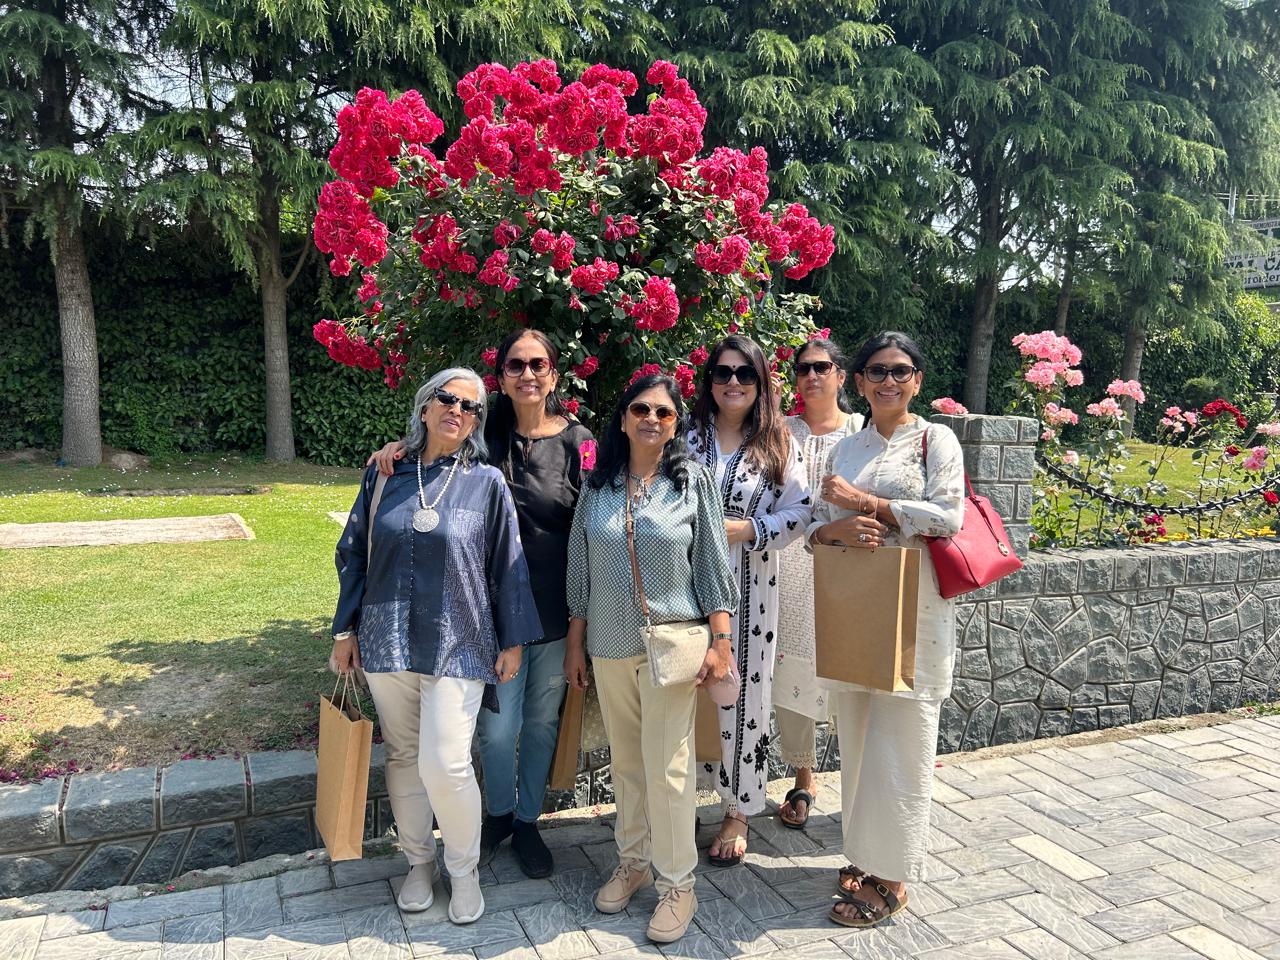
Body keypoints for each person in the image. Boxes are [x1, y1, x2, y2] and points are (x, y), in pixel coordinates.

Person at [369, 330, 594, 878]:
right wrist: (395, 450)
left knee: (539, 723)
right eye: (515, 365)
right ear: (502, 377)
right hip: (487, 614)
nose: (527, 374)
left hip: (556, 610)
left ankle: (527, 821)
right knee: (495, 728)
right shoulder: (482, 428)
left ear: (554, 374)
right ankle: (497, 814)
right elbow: (434, 451)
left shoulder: (580, 442)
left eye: (538, 364)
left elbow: (595, 525)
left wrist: (581, 626)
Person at [332, 368, 543, 925]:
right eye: (447, 399)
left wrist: (513, 641)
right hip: (387, 636)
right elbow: (353, 552)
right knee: (404, 756)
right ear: (425, 407)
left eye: (470, 406)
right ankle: (418, 863)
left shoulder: (486, 482)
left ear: (477, 422)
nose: (457, 410)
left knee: (446, 762)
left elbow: (508, 563)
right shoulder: (384, 474)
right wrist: (344, 630)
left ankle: (464, 870)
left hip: (460, 639)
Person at [564, 374, 738, 943]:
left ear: (675, 424)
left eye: (663, 412)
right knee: (628, 763)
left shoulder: (691, 482)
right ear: (622, 418)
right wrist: (575, 641)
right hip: (609, 643)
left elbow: (712, 564)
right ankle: (633, 861)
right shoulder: (598, 486)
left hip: (674, 644)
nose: (651, 419)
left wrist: (721, 641)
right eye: (640, 408)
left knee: (668, 769)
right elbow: (580, 567)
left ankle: (678, 883)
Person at [806, 331, 964, 927]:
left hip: (915, 615)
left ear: (917, 380)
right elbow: (817, 522)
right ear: (860, 381)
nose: (888, 381)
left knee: (902, 741)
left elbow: (948, 516)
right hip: (857, 608)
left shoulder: (934, 440)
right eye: (877, 370)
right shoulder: (847, 448)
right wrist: (835, 529)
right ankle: (864, 855)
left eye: (901, 370)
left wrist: (867, 504)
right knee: (858, 738)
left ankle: (892, 877)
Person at [686, 335, 811, 866]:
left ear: (760, 382)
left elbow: (801, 511)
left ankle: (738, 808)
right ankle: (678, 800)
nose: (733, 382)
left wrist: (750, 529)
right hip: (682, 587)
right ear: (709, 381)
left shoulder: (777, 442)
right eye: (723, 372)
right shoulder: (687, 436)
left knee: (742, 695)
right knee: (682, 690)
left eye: (744, 374)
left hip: (750, 592)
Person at [774, 338, 863, 829]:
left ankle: (860, 787)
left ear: (841, 375)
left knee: (847, 674)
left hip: (846, 568)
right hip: (788, 568)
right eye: (803, 368)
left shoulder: (860, 431)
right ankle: (803, 777)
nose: (811, 376)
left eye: (822, 367)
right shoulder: (781, 430)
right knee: (793, 670)